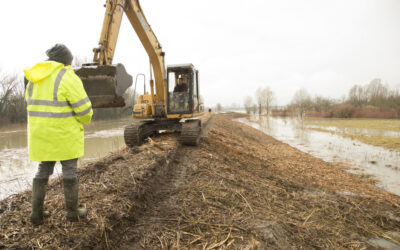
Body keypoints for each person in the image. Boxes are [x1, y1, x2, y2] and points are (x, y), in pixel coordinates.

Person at [24, 44, 93, 226]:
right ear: (66, 61)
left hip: (40, 135)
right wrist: (86, 119)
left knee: (42, 171)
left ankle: (36, 214)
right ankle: (72, 212)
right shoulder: (67, 76)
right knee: (69, 171)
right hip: (64, 135)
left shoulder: (34, 77)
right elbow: (85, 110)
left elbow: (30, 103)